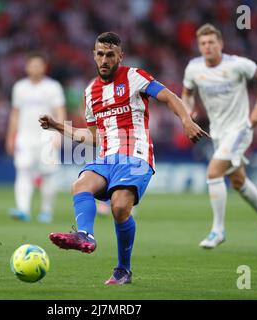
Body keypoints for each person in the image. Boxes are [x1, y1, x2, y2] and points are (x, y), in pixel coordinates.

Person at [39, 32, 208, 285]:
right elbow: (95, 136)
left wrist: (186, 120)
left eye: (110, 55)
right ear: (93, 55)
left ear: (120, 56)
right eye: (100, 54)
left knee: (119, 207)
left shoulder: (134, 77)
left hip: (136, 155)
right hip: (107, 157)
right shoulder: (90, 92)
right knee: (80, 184)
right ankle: (85, 235)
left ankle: (123, 270)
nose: (104, 60)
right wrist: (58, 126)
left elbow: (169, 97)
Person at [181, 24, 257, 249]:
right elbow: (187, 92)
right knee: (238, 181)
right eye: (203, 43)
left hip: (241, 128)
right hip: (219, 132)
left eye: (211, 42)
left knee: (214, 172)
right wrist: (188, 110)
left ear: (220, 44)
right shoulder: (193, 68)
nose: (207, 47)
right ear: (199, 46)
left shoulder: (237, 64)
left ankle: (218, 230)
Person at [6, 53, 66, 223]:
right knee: (23, 172)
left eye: (39, 65)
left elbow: (60, 111)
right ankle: (22, 209)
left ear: (44, 67)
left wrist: (59, 133)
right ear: (27, 67)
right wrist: (11, 136)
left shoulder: (53, 87)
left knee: (48, 175)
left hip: (47, 136)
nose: (35, 68)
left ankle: (46, 211)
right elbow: (15, 114)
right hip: (25, 136)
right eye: (32, 65)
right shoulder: (20, 87)